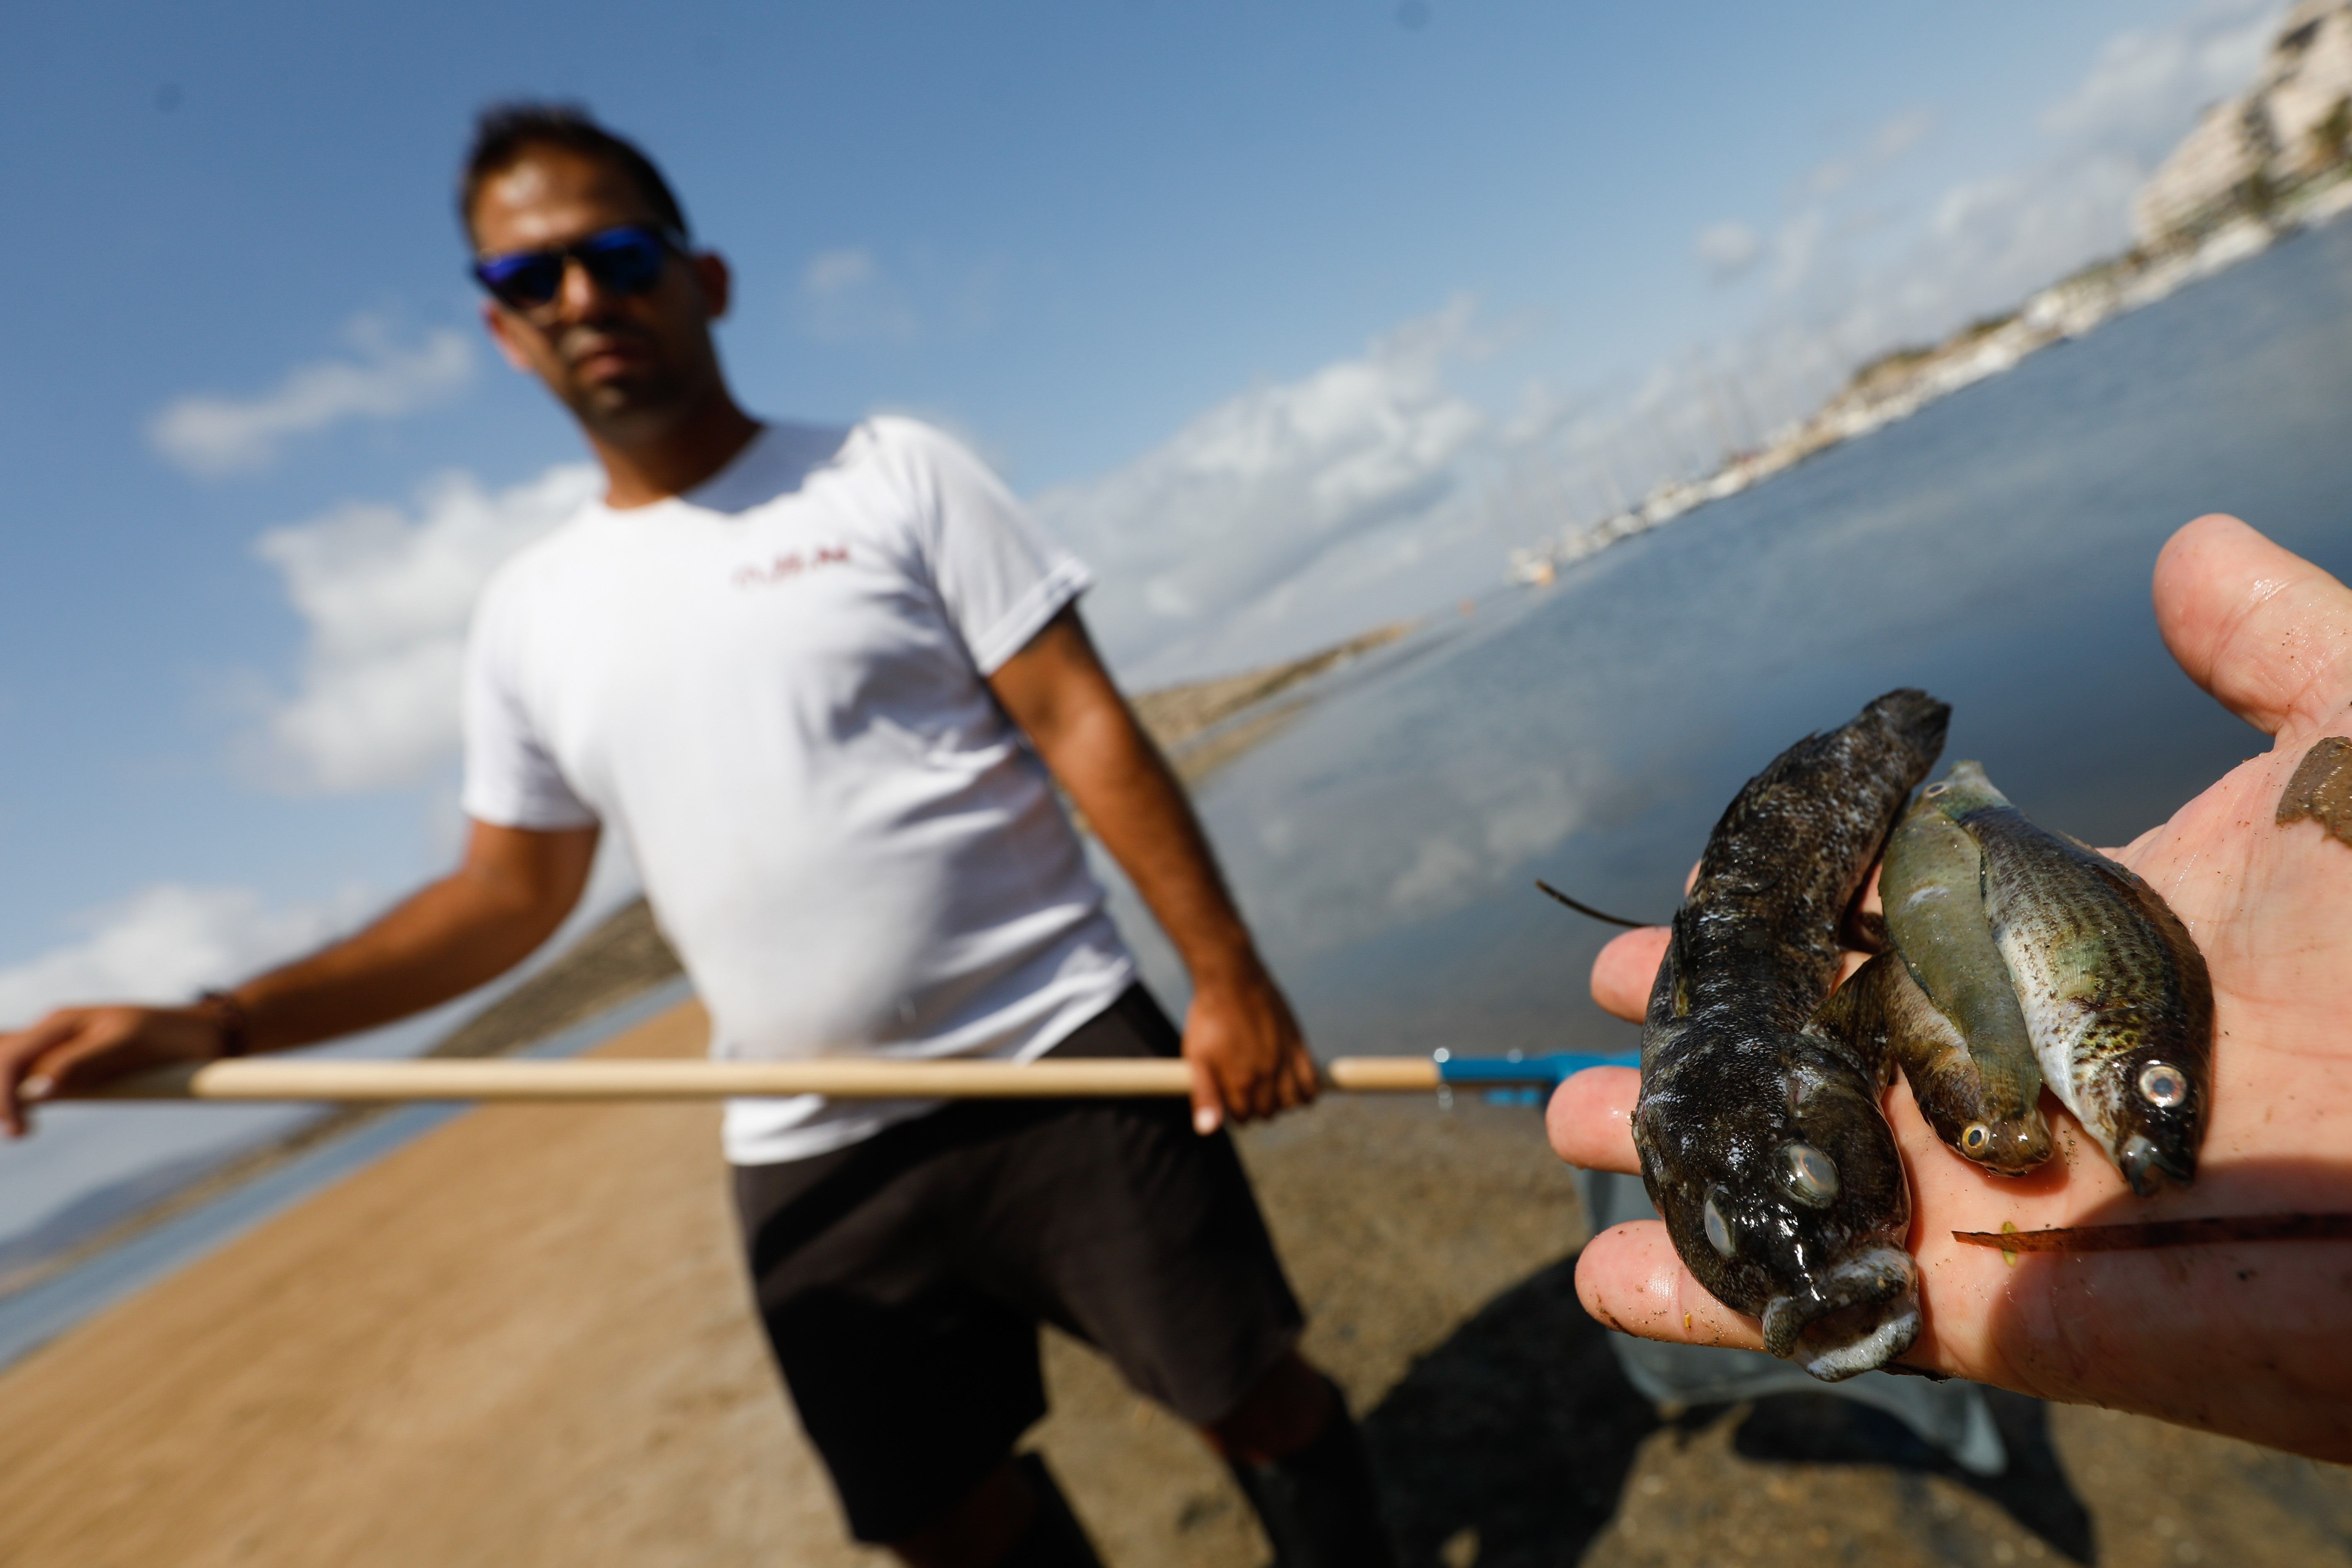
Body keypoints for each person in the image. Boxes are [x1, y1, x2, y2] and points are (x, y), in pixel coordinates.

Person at [0, 105, 1399, 1568]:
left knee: (1251, 1400)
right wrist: (214, 1019)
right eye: (529, 281)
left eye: (616, 254)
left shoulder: (889, 472)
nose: (582, 299)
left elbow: (1079, 720)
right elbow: (502, 896)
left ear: (703, 277)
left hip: (1056, 1045)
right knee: (943, 1523)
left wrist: (1226, 973)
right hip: (805, 1131)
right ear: (499, 333)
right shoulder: (530, 615)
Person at [1547, 511, 2352, 1466]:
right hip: (1754, 979)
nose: (1807, 1268)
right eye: (1721, 1232)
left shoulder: (1826, 1059)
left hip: (1759, 944)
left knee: (1895, 745)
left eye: (1815, 1181)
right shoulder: (1788, 1107)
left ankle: (1887, 746)